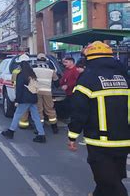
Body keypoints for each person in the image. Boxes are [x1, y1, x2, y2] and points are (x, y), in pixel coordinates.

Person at [67, 41, 130, 196]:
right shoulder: (124, 78)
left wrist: (72, 136)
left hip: (99, 142)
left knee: (111, 184)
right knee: (109, 179)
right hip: (124, 140)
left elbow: (79, 111)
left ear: (89, 59)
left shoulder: (87, 79)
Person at [2, 54, 46, 143]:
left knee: (17, 115)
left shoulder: (21, 75)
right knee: (36, 117)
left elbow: (19, 89)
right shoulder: (32, 73)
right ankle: (41, 134)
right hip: (33, 98)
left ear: (20, 64)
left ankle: (11, 131)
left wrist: (17, 100)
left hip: (24, 99)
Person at [19, 53, 60, 134]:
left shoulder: (33, 70)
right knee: (50, 109)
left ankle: (39, 128)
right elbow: (57, 83)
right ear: (46, 61)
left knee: (39, 110)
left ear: (37, 61)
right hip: (48, 92)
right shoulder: (51, 71)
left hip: (37, 92)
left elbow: (28, 81)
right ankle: (54, 128)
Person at [59, 57, 80, 121]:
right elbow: (63, 79)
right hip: (68, 92)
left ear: (71, 62)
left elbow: (77, 81)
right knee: (65, 105)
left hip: (74, 92)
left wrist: (67, 85)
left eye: (66, 62)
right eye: (64, 62)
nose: (64, 64)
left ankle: (72, 119)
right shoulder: (67, 70)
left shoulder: (76, 70)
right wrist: (61, 84)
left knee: (71, 106)